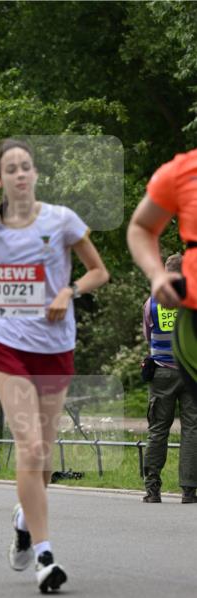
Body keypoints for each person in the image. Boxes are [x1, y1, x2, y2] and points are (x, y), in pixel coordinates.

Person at [0, 138, 109, 592]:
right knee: (30, 445)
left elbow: (98, 271)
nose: (21, 174)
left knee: (43, 458)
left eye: (27, 167)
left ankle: (23, 521)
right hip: (9, 345)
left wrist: (70, 291)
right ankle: (45, 556)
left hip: (56, 346)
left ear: (35, 174)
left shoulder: (62, 220)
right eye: (12, 169)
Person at [127, 148, 197, 503]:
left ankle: (151, 489)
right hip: (188, 373)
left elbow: (147, 334)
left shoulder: (152, 300)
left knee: (157, 430)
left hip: (161, 372)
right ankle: (189, 490)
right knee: (192, 431)